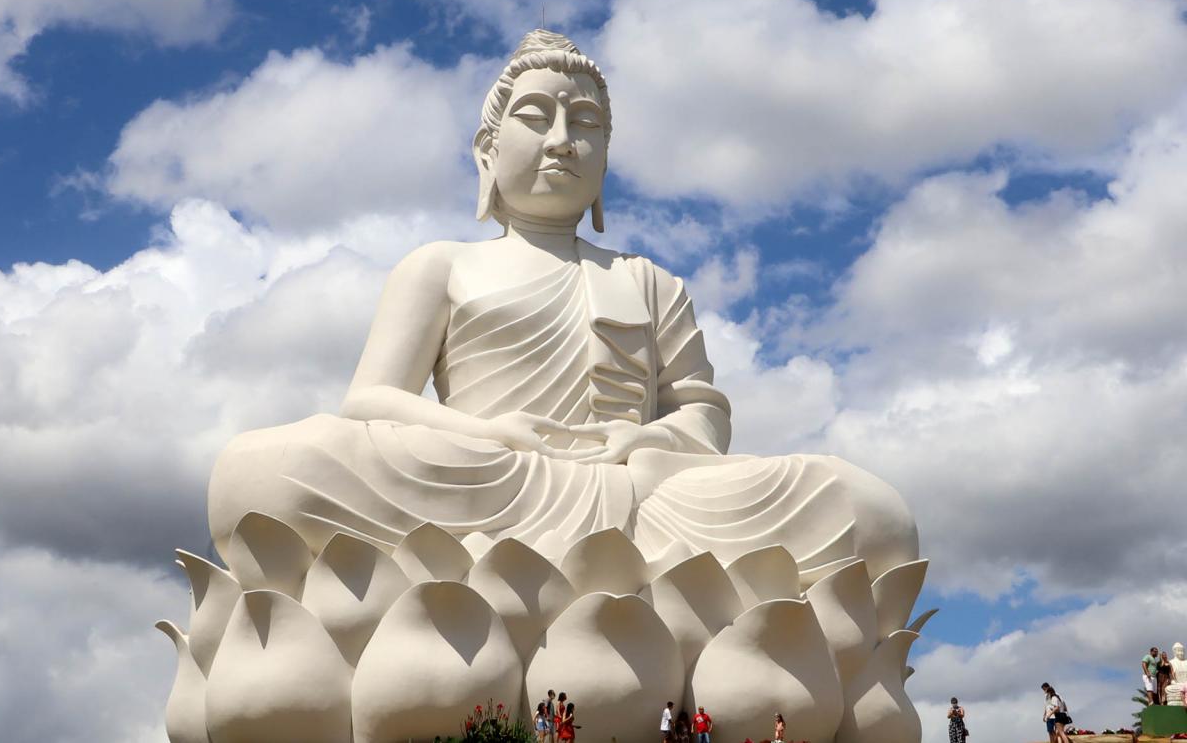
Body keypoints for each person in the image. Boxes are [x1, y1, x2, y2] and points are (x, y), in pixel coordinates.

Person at [206, 29, 920, 590]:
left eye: (585, 122)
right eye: (536, 116)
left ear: (605, 159)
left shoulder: (649, 280)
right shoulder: (441, 265)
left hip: (644, 493)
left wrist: (642, 445)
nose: (561, 140)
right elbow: (370, 400)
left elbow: (705, 413)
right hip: (489, 478)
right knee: (262, 471)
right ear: (488, 149)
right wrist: (493, 435)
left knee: (867, 509)